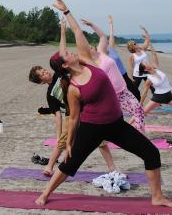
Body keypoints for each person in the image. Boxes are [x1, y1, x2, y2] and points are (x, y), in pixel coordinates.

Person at [35, 0, 172, 209]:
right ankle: (45, 193)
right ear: (64, 66)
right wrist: (70, 142)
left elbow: (78, 33)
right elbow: (73, 118)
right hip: (91, 127)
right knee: (70, 164)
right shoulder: (73, 87)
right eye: (66, 54)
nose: (71, 52)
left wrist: (67, 12)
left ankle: (157, 197)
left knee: (151, 153)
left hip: (116, 124)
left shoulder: (87, 61)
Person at [28, 19, 117, 177]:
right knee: (61, 143)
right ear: (41, 81)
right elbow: (57, 116)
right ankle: (49, 167)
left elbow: (61, 52)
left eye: (43, 70)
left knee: (101, 142)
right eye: (42, 74)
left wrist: (62, 31)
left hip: (86, 109)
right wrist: (59, 133)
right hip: (71, 115)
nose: (45, 73)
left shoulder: (59, 74)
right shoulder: (50, 94)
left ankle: (113, 168)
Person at [81, 19, 145, 133]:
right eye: (89, 48)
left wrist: (92, 25)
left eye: (91, 46)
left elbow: (102, 36)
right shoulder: (91, 64)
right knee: (114, 118)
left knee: (139, 110)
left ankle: (140, 133)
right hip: (111, 95)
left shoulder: (102, 51)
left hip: (123, 90)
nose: (91, 47)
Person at [139, 42, 172, 113]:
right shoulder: (149, 79)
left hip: (168, 96)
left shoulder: (155, 67)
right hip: (158, 98)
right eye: (146, 63)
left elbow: (154, 54)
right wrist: (140, 103)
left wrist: (149, 43)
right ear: (145, 69)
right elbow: (145, 93)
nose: (147, 62)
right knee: (141, 113)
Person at [107, 15, 141, 101]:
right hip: (115, 77)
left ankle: (137, 107)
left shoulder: (111, 49)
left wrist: (111, 24)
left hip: (124, 75)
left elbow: (111, 35)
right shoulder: (102, 57)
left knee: (135, 92)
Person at [127, 27, 151, 94]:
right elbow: (131, 67)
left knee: (153, 88)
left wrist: (145, 31)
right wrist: (131, 77)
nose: (136, 44)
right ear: (132, 47)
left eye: (135, 43)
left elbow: (147, 40)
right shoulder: (132, 56)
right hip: (137, 74)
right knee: (134, 90)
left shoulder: (143, 49)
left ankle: (157, 102)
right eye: (134, 44)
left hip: (147, 72)